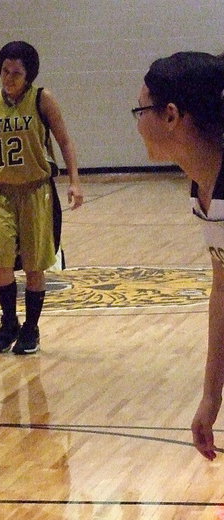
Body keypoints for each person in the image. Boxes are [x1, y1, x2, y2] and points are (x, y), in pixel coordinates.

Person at [135, 52, 224, 460]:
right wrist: (210, 396)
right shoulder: (203, 188)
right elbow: (221, 292)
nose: (136, 124)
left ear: (171, 115)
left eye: (140, 110)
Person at [0, 41, 83, 355]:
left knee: (35, 266)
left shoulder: (42, 99)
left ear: (29, 74)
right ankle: (9, 321)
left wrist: (75, 181)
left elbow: (64, 141)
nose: (9, 78)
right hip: (1, 191)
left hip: (36, 190)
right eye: (5, 71)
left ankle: (31, 328)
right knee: (1, 264)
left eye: (17, 73)